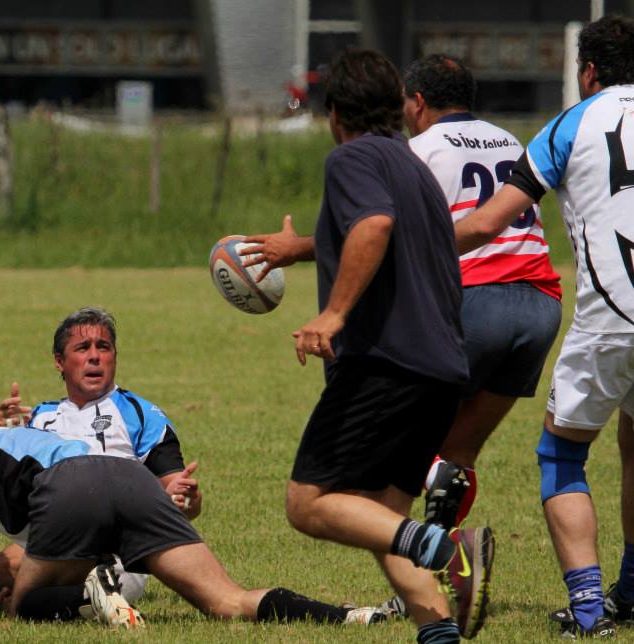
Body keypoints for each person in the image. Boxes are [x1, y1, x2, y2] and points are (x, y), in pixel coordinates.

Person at [239, 49, 494, 643]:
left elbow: (373, 227)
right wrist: (294, 249)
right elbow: (381, 231)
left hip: (386, 365)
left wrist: (332, 315)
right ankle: (437, 632)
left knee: (309, 503)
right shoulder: (411, 166)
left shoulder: (349, 158)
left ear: (335, 114)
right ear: (399, 107)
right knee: (381, 514)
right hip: (438, 369)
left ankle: (446, 547)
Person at [0, 408, 390, 628]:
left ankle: (89, 594)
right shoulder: (18, 439)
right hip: (129, 479)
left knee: (22, 601)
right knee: (224, 601)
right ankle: (351, 617)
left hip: (73, 490)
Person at [452, 15, 634, 638]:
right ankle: (631, 591)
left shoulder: (569, 125)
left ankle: (589, 609)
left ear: (587, 72)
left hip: (609, 318)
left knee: (562, 453)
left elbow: (486, 223)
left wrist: (417, 248)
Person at [402, 55, 562, 530]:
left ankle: (420, 564)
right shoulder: (508, 139)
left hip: (475, 301)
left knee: (404, 442)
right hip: (540, 306)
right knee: (459, 452)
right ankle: (448, 566)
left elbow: (391, 231)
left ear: (418, 103)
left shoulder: (421, 148)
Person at [0, 307, 201, 601]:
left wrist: (184, 497)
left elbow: (182, 495)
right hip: (51, 542)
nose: (95, 356)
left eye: (104, 347)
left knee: (58, 580)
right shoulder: (42, 417)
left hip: (116, 550)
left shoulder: (141, 414)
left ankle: (40, 599)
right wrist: (6, 439)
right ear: (60, 362)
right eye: (83, 348)